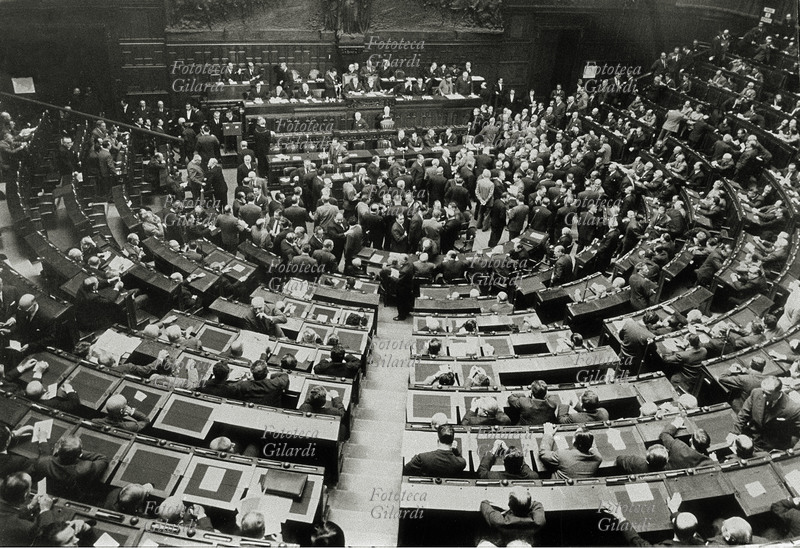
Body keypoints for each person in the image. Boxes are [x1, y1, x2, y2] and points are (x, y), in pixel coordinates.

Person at [32, 435, 109, 502]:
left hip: (52, 492)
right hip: (76, 498)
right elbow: (102, 459)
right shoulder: (85, 468)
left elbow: (45, 457)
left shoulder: (43, 463)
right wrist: (80, 453)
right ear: (79, 453)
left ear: (58, 449)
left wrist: (42, 439)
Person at [733, 376, 800, 451]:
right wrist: (734, 433)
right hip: (753, 439)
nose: (764, 396)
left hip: (775, 447)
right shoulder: (756, 393)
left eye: (768, 394)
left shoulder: (793, 408)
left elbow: (798, 433)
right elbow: (743, 414)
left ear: (778, 392)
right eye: (763, 392)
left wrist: (791, 449)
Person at [0, 471, 55, 547]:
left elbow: (10, 514)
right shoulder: (25, 528)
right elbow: (46, 537)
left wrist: (30, 507)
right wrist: (45, 510)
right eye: (30, 487)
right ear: (26, 495)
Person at [480, 487, 546, 546]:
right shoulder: (538, 522)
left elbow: (484, 504)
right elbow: (537, 504)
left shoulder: (499, 521)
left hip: (506, 540)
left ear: (509, 504)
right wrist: (525, 502)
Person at [538, 423, 602, 479]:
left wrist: (548, 434)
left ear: (573, 441)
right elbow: (593, 448)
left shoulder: (563, 455)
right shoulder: (598, 458)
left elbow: (543, 454)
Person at [402, 424, 466, 477]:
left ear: (438, 440)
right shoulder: (461, 463)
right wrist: (455, 450)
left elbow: (406, 470)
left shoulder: (422, 458)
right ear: (453, 441)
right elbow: (459, 458)